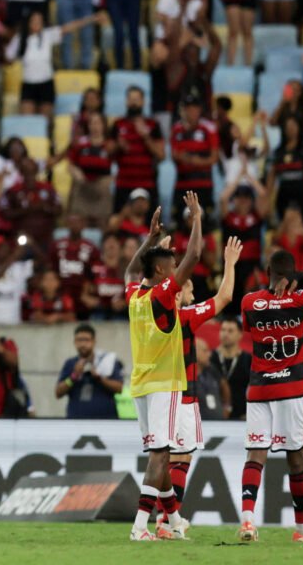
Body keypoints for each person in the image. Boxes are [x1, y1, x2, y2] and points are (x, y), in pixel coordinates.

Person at [237, 249, 303, 543]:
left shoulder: (249, 302)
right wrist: (302, 278)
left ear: (268, 269)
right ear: (293, 273)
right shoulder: (302, 298)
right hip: (292, 389)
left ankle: (247, 522)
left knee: (255, 455)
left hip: (258, 389)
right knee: (297, 459)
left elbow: (250, 327)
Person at [121, 194, 202, 541]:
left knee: (160, 448)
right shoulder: (162, 295)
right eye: (170, 264)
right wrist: (197, 218)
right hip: (165, 383)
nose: (176, 270)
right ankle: (140, 526)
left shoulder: (135, 296)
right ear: (160, 271)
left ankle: (174, 518)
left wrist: (151, 240)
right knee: (161, 453)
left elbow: (129, 271)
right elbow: (195, 256)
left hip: (140, 383)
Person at [161, 237, 243, 533]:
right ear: (179, 291)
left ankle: (166, 520)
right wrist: (230, 264)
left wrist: (162, 251)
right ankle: (165, 521)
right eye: (191, 289)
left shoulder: (153, 314)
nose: (194, 295)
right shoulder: (184, 317)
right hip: (184, 396)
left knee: (167, 458)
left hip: (162, 395)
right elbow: (224, 298)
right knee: (180, 459)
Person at [55, 323, 124, 420]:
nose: (83, 344)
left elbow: (119, 388)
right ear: (74, 342)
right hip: (76, 421)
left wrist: (99, 378)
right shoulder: (70, 363)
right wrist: (73, 377)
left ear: (94, 341)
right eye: (79, 340)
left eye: (86, 340)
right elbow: (58, 393)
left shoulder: (106, 361)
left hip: (106, 421)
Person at [211, 317, 252, 420]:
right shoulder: (210, 358)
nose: (225, 334)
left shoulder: (248, 359)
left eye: (230, 331)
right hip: (214, 416)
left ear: (240, 334)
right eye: (223, 330)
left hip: (242, 415)